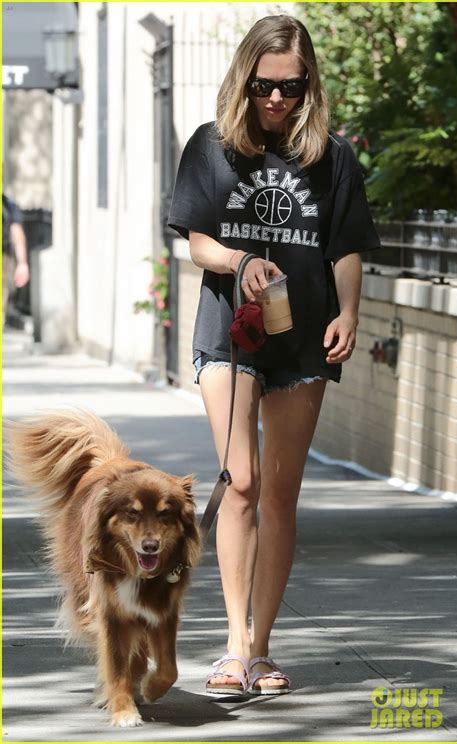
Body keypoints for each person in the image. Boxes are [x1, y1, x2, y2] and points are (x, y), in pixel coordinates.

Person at [168, 14, 380, 696]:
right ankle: (231, 646)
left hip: (304, 333)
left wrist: (349, 310)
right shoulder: (212, 147)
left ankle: (260, 648)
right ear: (244, 78)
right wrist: (240, 260)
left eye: (291, 87)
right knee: (242, 481)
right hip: (231, 329)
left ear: (308, 84)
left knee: (281, 495)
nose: (277, 100)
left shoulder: (334, 159)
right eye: (264, 86)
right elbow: (196, 240)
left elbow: (344, 247)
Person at [2, 193, 29, 326]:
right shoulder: (7, 204)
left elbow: (16, 232)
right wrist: (22, 264)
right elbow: (17, 232)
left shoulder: (7, 205)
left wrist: (22, 264)